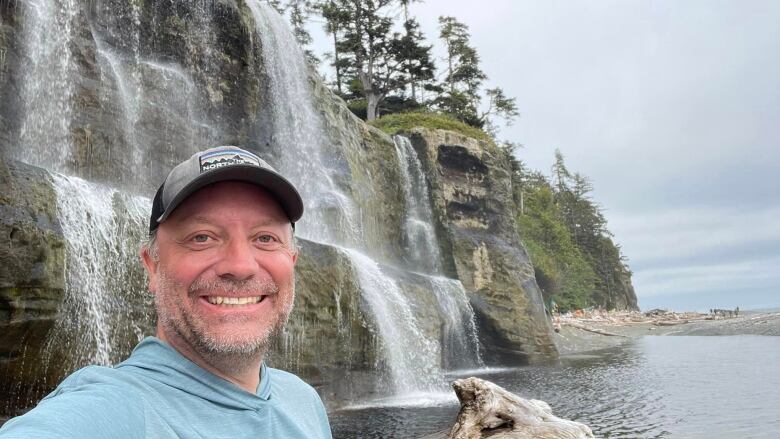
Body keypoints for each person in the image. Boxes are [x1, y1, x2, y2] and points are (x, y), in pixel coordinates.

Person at [0, 146, 332, 438]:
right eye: (202, 237)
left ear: (292, 261)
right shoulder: (116, 409)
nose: (240, 265)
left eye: (265, 238)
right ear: (153, 268)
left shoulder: (303, 400)